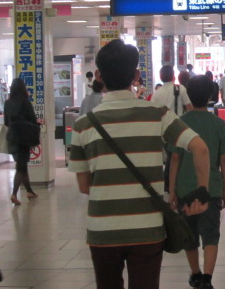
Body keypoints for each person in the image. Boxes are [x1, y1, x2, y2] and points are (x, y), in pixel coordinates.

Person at [68, 39, 211, 289]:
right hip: (147, 228)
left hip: (103, 230)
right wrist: (202, 191)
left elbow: (83, 186)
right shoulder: (157, 114)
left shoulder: (83, 125)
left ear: (99, 76)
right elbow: (200, 148)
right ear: (136, 75)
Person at [169, 75, 225, 289]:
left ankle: (195, 273)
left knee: (190, 236)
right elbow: (224, 161)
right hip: (211, 189)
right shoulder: (218, 124)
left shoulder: (180, 124)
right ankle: (207, 278)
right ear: (211, 96)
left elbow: (174, 159)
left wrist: (171, 191)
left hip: (185, 187)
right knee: (211, 236)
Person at [152, 65, 194, 192]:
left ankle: (168, 183)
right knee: (177, 156)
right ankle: (174, 183)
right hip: (178, 128)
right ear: (173, 76)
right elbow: (190, 108)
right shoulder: (180, 89)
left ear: (160, 77)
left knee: (170, 156)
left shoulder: (156, 94)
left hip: (162, 130)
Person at [4, 78, 40, 205]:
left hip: (12, 137)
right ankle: (14, 194)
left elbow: (6, 123)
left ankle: (30, 191)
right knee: (21, 167)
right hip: (23, 137)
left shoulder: (7, 103)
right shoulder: (25, 102)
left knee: (22, 165)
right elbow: (33, 119)